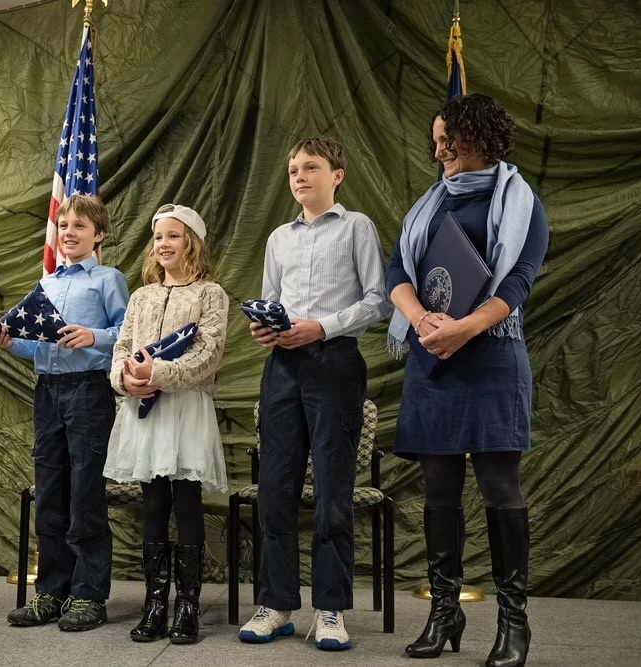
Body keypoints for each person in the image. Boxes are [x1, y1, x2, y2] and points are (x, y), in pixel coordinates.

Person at [386, 94, 549, 667]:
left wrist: (466, 328)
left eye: (446, 141)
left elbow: (519, 282)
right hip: (433, 360)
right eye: (435, 142)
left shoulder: (521, 203)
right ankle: (444, 612)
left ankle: (513, 623)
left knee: (500, 490)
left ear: (475, 135)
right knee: (438, 490)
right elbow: (398, 271)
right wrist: (421, 319)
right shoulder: (428, 206)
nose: (438, 151)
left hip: (493, 360)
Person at [239, 137, 392, 650]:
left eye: (311, 167)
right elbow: (269, 300)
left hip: (335, 366)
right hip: (281, 367)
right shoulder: (279, 237)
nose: (299, 176)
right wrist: (266, 329)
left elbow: (379, 301)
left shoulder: (357, 227)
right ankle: (277, 604)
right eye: (293, 169)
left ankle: (329, 609)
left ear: (338, 175)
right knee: (274, 493)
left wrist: (321, 328)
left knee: (332, 495)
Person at [0, 194, 128, 632]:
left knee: (85, 491)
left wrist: (94, 336)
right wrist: (12, 344)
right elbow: (39, 344)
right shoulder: (45, 283)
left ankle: (88, 595)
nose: (69, 233)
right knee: (50, 491)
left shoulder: (108, 279)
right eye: (63, 225)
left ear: (98, 235)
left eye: (80, 227)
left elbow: (127, 333)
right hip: (48, 392)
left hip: (89, 392)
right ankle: (51, 590)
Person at [104, 204, 229, 645]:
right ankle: (156, 602)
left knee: (187, 503)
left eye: (173, 236)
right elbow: (121, 348)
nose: (163, 244)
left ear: (191, 242)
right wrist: (126, 379)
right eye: (158, 237)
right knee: (153, 503)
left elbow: (208, 354)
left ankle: (189, 607)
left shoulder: (210, 293)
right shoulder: (142, 297)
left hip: (185, 408)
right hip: (145, 410)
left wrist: (157, 375)